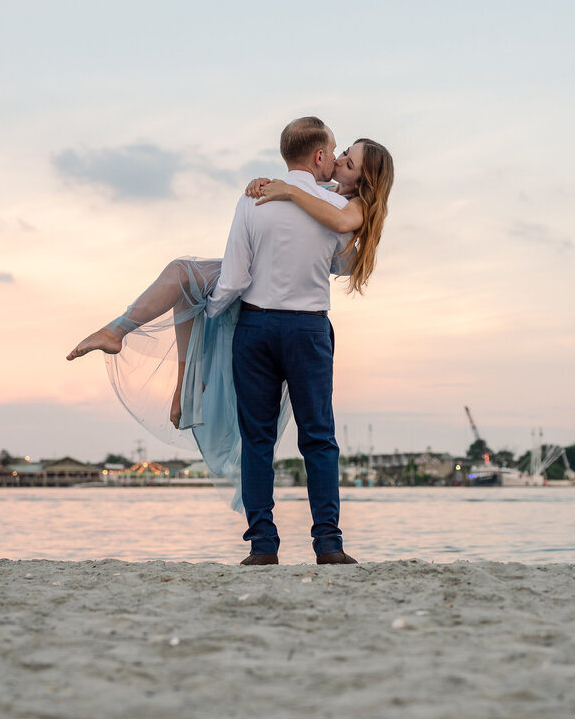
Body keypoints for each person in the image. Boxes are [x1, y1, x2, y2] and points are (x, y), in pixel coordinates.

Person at [66, 118, 394, 564]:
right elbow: (337, 263)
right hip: (308, 331)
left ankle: (263, 547)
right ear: (319, 157)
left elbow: (237, 277)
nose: (338, 160)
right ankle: (329, 546)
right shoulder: (343, 213)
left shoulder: (256, 198)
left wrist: (211, 310)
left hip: (257, 329)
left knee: (255, 439)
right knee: (319, 439)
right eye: (337, 152)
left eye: (347, 158)